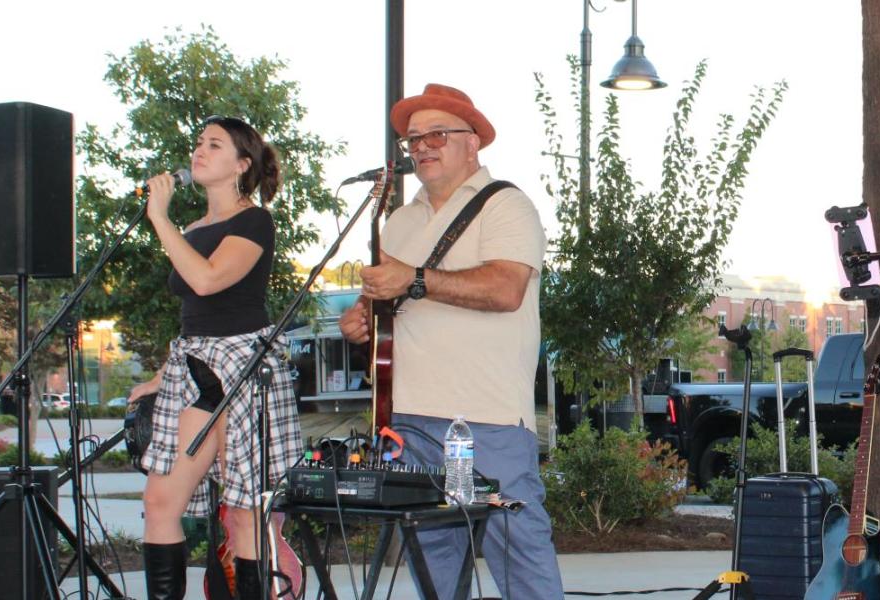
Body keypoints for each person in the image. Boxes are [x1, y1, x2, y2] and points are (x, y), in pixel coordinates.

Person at [338, 83, 562, 600]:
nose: (422, 146)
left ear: (472, 141)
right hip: (409, 417)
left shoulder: (506, 205)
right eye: (413, 138)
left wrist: (415, 278)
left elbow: (505, 289)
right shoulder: (399, 221)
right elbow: (380, 304)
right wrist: (361, 320)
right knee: (433, 555)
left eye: (437, 134)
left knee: (518, 548)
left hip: (488, 415)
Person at [133, 116, 303, 600]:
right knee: (160, 501)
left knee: (246, 512)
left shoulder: (254, 221)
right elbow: (193, 310)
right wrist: (161, 375)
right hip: (196, 366)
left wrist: (159, 219)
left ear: (241, 165)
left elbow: (208, 280)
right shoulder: (192, 228)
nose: (199, 151)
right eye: (198, 143)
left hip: (242, 364)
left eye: (214, 144)